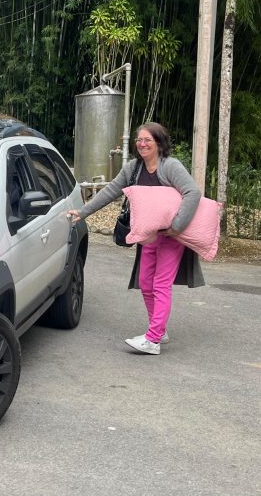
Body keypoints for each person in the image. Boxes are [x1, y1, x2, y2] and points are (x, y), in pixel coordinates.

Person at [67, 122, 204, 355]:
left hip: (171, 237)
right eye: (139, 140)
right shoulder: (133, 169)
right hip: (149, 236)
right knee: (145, 282)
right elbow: (111, 191)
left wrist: (177, 226)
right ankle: (158, 328)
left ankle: (153, 340)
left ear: (159, 143)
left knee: (161, 284)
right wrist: (83, 212)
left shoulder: (170, 166)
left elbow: (193, 192)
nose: (142, 144)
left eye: (147, 140)